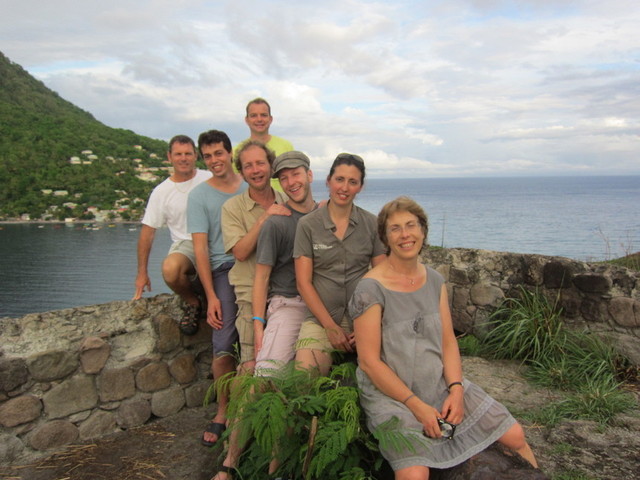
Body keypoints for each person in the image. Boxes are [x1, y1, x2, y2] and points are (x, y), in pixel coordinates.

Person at [349, 196, 539, 479]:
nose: (405, 234)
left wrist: (457, 389)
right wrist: (417, 406)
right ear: (385, 238)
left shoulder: (435, 280)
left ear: (423, 231)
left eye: (411, 225)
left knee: (514, 435)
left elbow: (448, 340)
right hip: (392, 395)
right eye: (395, 228)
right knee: (414, 472)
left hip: (436, 382)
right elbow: (369, 363)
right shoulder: (369, 289)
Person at [212, 151, 317, 480]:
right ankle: (231, 460)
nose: (290, 181)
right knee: (254, 374)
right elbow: (250, 263)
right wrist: (260, 323)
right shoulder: (268, 216)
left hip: (315, 307)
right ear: (242, 172)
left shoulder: (309, 210)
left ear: (309, 175)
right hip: (263, 299)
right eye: (248, 165)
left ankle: (280, 462)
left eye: (294, 174)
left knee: (297, 385)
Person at [293, 153, 386, 376]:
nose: (344, 187)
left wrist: (370, 324)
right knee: (304, 376)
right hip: (321, 319)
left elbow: (382, 277)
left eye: (352, 182)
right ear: (328, 181)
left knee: (384, 373)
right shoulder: (308, 225)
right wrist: (331, 327)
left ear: (360, 187)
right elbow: (303, 283)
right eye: (340, 179)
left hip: (363, 317)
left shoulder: (371, 224)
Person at [187, 130, 246, 447]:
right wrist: (210, 296)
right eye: (207, 156)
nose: (214, 161)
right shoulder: (199, 196)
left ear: (230, 153)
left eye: (218, 154)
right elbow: (200, 251)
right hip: (223, 270)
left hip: (254, 266)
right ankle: (223, 411)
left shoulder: (250, 186)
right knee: (222, 342)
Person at [221, 141, 289, 374]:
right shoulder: (232, 208)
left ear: (271, 166)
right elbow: (239, 252)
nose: (256, 170)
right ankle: (239, 411)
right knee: (250, 363)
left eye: (260, 163)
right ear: (241, 173)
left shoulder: (287, 200)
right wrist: (264, 219)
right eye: (248, 166)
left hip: (286, 294)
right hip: (251, 293)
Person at [133, 134, 212, 334]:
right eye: (178, 154)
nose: (183, 158)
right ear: (169, 157)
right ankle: (193, 303)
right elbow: (147, 233)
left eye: (188, 153)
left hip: (215, 241)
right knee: (170, 269)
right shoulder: (162, 192)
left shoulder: (209, 178)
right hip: (187, 245)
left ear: (196, 156)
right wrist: (142, 273)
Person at [234, 97, 294, 192]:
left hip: (284, 204)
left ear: (270, 119)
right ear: (247, 120)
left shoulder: (286, 146)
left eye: (263, 115)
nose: (259, 119)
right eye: (254, 115)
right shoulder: (237, 151)